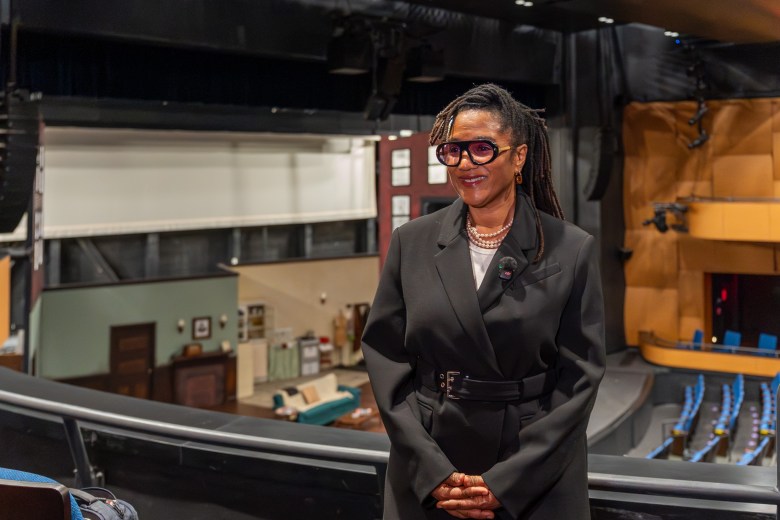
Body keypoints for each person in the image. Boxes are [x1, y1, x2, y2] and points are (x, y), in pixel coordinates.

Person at [361, 83, 605, 520]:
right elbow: (385, 359)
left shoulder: (571, 249)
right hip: (432, 465)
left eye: (481, 149)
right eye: (453, 151)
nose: (465, 164)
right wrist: (432, 470)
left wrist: (505, 482)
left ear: (519, 157)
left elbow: (579, 380)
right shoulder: (411, 242)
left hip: (531, 469)